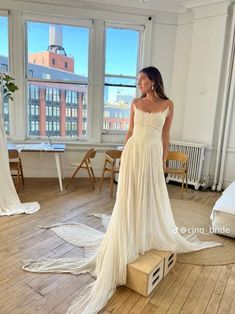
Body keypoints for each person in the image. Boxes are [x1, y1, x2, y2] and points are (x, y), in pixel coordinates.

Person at [23, 66, 221, 314]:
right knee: (128, 198)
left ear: (153, 81)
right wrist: (122, 157)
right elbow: (129, 132)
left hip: (151, 156)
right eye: (138, 80)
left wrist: (163, 160)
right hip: (134, 153)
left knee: (149, 197)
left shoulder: (169, 104)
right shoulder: (135, 103)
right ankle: (129, 232)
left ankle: (144, 233)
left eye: (142, 79)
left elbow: (166, 135)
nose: (139, 83)